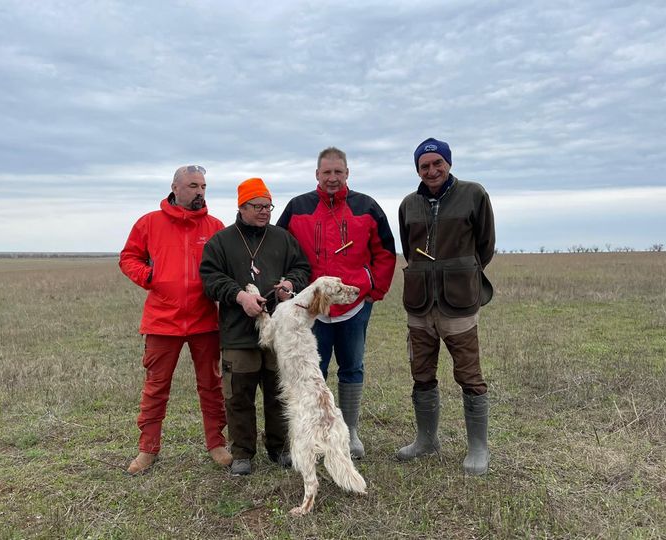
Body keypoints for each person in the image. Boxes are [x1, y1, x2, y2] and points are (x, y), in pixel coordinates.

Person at [276, 147, 396, 458]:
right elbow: (279, 248)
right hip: (311, 310)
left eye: (338, 172)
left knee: (352, 367)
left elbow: (385, 251)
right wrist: (288, 289)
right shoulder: (297, 207)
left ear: (347, 173)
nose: (332, 178)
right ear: (317, 174)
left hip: (353, 307)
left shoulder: (367, 206)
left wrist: (372, 289)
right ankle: (311, 434)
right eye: (327, 172)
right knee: (312, 371)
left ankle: (350, 432)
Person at [119, 164, 231, 475]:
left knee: (211, 385)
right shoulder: (149, 223)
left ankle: (217, 444)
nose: (200, 192)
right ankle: (148, 449)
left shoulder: (215, 226)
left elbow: (227, 266)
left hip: (204, 320)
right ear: (175, 188)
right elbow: (128, 257)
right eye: (193, 186)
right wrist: (150, 276)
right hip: (162, 321)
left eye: (203, 186)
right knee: (156, 387)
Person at [396, 138, 495, 475]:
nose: (432, 170)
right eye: (424, 166)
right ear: (418, 170)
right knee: (421, 373)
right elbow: (409, 248)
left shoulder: (473, 194)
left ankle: (478, 448)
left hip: (459, 303)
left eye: (437, 163)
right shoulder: (409, 204)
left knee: (469, 375)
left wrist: (460, 273)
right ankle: (426, 441)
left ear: (448, 163)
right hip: (419, 303)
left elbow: (485, 245)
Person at [200, 177, 311, 476]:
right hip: (238, 333)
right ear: (242, 207)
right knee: (238, 395)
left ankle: (280, 448)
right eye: (257, 206)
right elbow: (210, 279)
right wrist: (239, 296)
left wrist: (290, 284)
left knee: (278, 392)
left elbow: (302, 268)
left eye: (268, 206)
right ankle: (242, 453)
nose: (264, 212)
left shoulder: (282, 238)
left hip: (278, 332)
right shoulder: (221, 242)